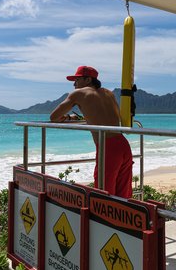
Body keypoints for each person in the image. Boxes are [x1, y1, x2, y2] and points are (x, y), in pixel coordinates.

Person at [50, 66, 133, 198]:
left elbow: (54, 117)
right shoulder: (108, 93)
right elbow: (108, 115)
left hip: (108, 147)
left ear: (88, 79)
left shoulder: (79, 94)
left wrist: (67, 118)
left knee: (104, 195)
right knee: (123, 195)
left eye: (77, 80)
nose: (74, 84)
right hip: (123, 144)